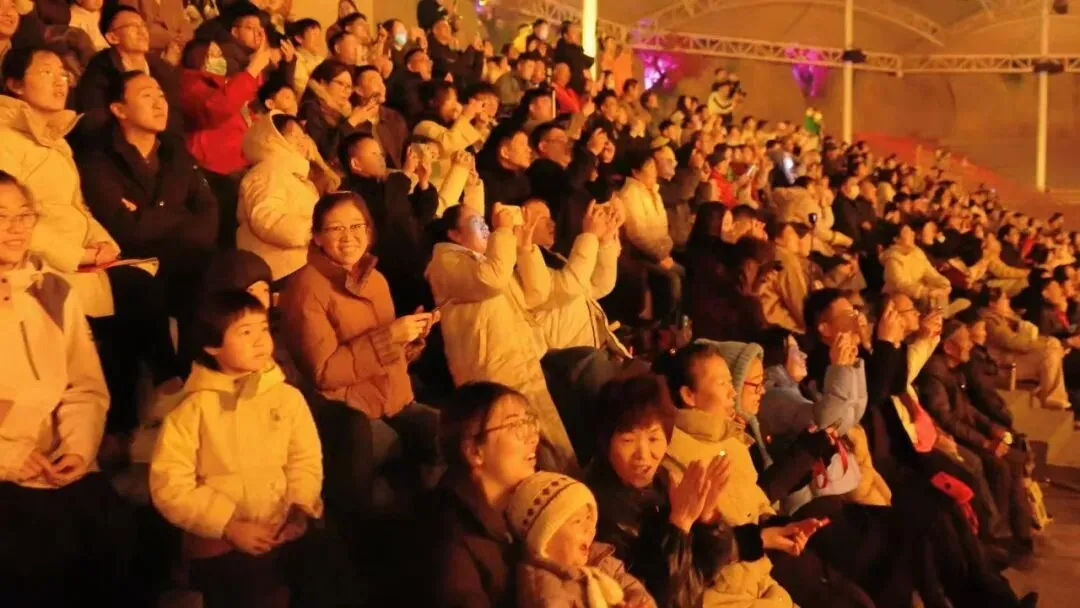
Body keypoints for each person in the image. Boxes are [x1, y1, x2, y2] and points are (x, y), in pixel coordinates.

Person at [0, 45, 183, 440]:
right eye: (46, 71)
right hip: (36, 259)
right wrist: (76, 255)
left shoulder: (58, 141)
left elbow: (77, 207)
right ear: (15, 85)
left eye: (63, 73)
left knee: (133, 294)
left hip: (83, 258)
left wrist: (102, 242)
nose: (60, 80)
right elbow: (9, 217)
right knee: (132, 293)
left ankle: (122, 426)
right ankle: (159, 397)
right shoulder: (5, 141)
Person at [150, 290, 352, 607]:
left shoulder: (286, 398)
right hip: (221, 544)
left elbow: (305, 459)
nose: (260, 341)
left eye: (264, 329)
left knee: (327, 576)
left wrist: (299, 506)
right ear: (212, 345)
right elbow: (170, 485)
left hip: (283, 529)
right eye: (245, 332)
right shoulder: (193, 410)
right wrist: (227, 524)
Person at [0, 170, 136, 606]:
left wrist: (77, 447)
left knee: (115, 551)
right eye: (1, 217)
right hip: (8, 473)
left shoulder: (52, 290)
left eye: (24, 215)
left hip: (57, 466)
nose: (16, 228)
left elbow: (84, 385)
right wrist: (7, 456)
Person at [586, 374, 819, 607]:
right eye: (628, 441)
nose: (643, 455)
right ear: (605, 443)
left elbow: (700, 565)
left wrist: (710, 521)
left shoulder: (662, 479)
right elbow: (671, 598)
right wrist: (679, 524)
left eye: (654, 439)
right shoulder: (596, 512)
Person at [279, 191, 441, 522]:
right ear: (317, 237)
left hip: (395, 400)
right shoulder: (305, 288)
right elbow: (324, 372)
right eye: (336, 228)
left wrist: (410, 339)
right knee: (394, 477)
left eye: (356, 226)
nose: (348, 236)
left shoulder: (374, 278)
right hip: (349, 414)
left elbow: (386, 356)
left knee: (455, 437)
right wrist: (389, 337)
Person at [427, 204, 578, 472]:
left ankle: (571, 492)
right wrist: (504, 232)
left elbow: (536, 294)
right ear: (454, 234)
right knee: (519, 451)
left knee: (554, 443)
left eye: (486, 222)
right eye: (477, 223)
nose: (487, 227)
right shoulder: (445, 262)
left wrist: (526, 248)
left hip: (523, 362)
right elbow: (491, 280)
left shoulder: (494, 258)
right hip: (491, 372)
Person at [77, 69, 218, 346]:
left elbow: (208, 208)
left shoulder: (175, 152)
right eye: (146, 96)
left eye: (161, 96)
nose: (159, 104)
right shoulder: (98, 159)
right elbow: (125, 229)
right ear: (119, 109)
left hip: (187, 257)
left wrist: (148, 216)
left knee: (222, 270)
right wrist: (181, 216)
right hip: (133, 264)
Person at [413, 381, 540, 606]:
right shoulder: (446, 534)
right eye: (515, 426)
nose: (533, 438)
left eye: (529, 423)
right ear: (473, 452)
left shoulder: (525, 510)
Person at [919, 321, 1036, 559]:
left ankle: (1017, 532)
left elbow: (968, 409)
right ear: (949, 347)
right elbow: (946, 419)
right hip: (950, 438)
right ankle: (992, 533)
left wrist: (992, 428)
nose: (971, 345)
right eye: (965, 340)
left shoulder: (955, 370)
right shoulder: (935, 373)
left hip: (966, 433)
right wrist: (985, 443)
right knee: (997, 466)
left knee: (1014, 460)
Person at [508, 472, 657, 608]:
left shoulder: (600, 561)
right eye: (577, 521)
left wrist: (639, 599)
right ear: (544, 539)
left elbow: (630, 586)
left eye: (589, 519)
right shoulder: (544, 590)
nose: (589, 529)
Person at [339, 133, 438, 311]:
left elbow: (420, 217)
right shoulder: (352, 195)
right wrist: (405, 174)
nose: (381, 159)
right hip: (389, 272)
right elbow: (391, 215)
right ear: (355, 164)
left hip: (412, 265)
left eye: (381, 154)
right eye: (374, 154)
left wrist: (423, 182)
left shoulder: (386, 186)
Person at [74, 5, 183, 140]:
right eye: (133, 26)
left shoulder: (160, 68)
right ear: (112, 37)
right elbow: (95, 120)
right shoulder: (100, 69)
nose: (142, 32)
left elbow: (174, 119)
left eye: (143, 26)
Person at [237, 112, 321, 284]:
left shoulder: (291, 174)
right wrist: (318, 231)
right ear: (272, 138)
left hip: (299, 264)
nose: (301, 142)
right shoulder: (267, 172)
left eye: (303, 136)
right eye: (294, 135)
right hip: (282, 270)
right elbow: (266, 219)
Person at [979, 287, 1070, 410]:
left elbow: (1026, 332)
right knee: (1049, 354)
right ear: (992, 303)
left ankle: (1054, 399)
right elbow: (1014, 343)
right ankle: (1052, 400)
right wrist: (1045, 344)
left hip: (1013, 357)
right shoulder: (990, 320)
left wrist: (1010, 314)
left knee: (1053, 348)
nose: (1008, 301)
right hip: (1003, 365)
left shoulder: (1001, 316)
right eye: (1004, 299)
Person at [760, 217, 814, 333]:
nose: (797, 238)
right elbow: (799, 306)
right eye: (792, 232)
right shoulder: (785, 257)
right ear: (778, 239)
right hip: (778, 327)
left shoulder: (769, 252)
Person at [880, 223, 952, 308]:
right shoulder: (892, 258)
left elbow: (929, 272)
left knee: (940, 293)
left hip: (919, 294)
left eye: (912, 231)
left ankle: (942, 314)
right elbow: (900, 284)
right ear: (896, 239)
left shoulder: (917, 252)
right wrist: (925, 291)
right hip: (900, 298)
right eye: (907, 232)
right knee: (928, 298)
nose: (913, 234)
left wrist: (944, 284)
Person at [352, 64, 409, 169]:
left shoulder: (394, 117)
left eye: (382, 81)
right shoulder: (353, 120)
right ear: (359, 90)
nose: (382, 87)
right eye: (375, 82)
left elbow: (406, 149)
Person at [120, 0, 193, 61]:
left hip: (179, 47)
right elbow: (129, 29)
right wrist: (172, 38)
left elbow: (182, 20)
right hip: (149, 51)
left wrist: (187, 34)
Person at [285, 17, 324, 95]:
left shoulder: (321, 60)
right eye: (314, 34)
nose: (319, 39)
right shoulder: (295, 59)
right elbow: (302, 87)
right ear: (299, 38)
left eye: (319, 35)